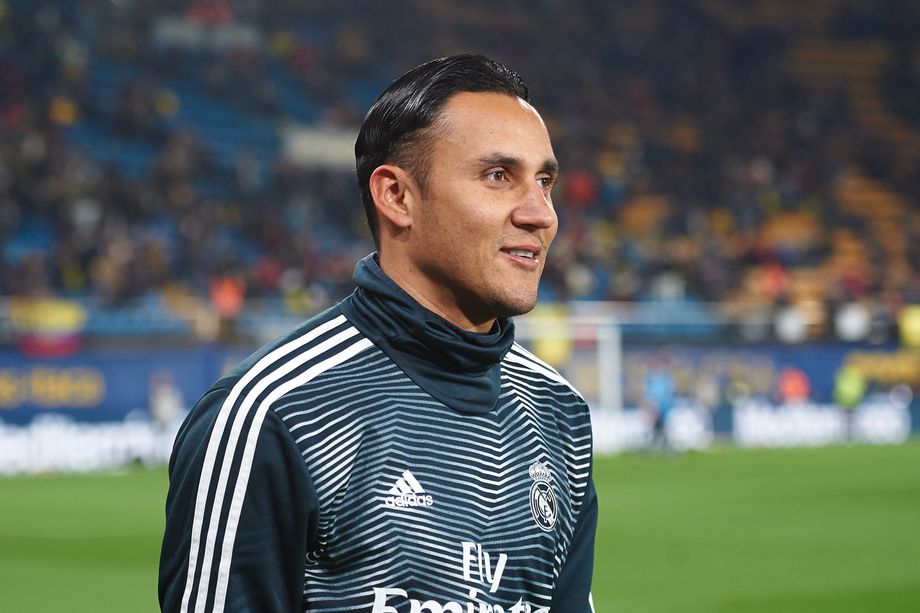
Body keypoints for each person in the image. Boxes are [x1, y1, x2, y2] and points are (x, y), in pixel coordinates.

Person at [159, 54, 597, 613]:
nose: (541, 214)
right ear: (397, 197)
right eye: (498, 177)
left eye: (545, 181)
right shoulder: (275, 414)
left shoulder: (559, 413)